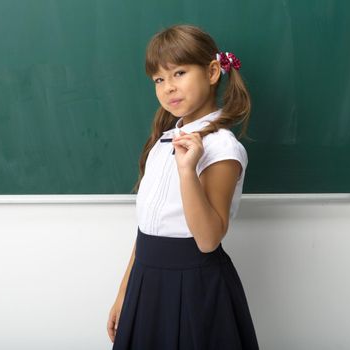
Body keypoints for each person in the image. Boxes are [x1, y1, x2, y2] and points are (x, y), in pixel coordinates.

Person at [107, 24, 259, 349]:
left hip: (193, 286)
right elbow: (147, 228)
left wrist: (188, 171)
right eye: (159, 80)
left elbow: (207, 240)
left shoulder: (222, 148)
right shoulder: (163, 141)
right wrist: (124, 292)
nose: (168, 88)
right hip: (147, 282)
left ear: (213, 71)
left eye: (179, 73)